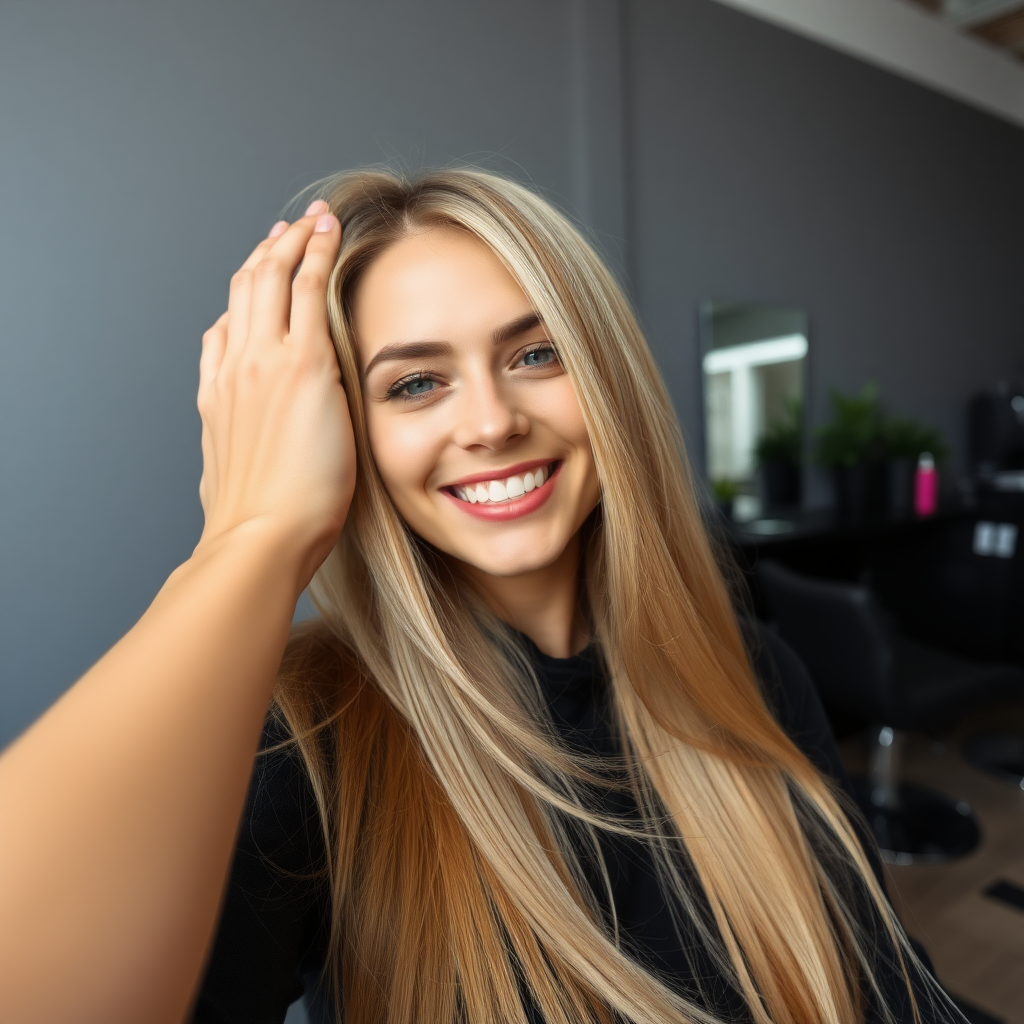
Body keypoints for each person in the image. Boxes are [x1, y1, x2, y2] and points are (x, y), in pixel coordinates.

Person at [0, 169, 955, 1024]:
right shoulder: (303, 740)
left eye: (537, 355)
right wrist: (254, 539)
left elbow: (886, 982)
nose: (493, 422)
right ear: (349, 430)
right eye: (416, 383)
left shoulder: (753, 666)